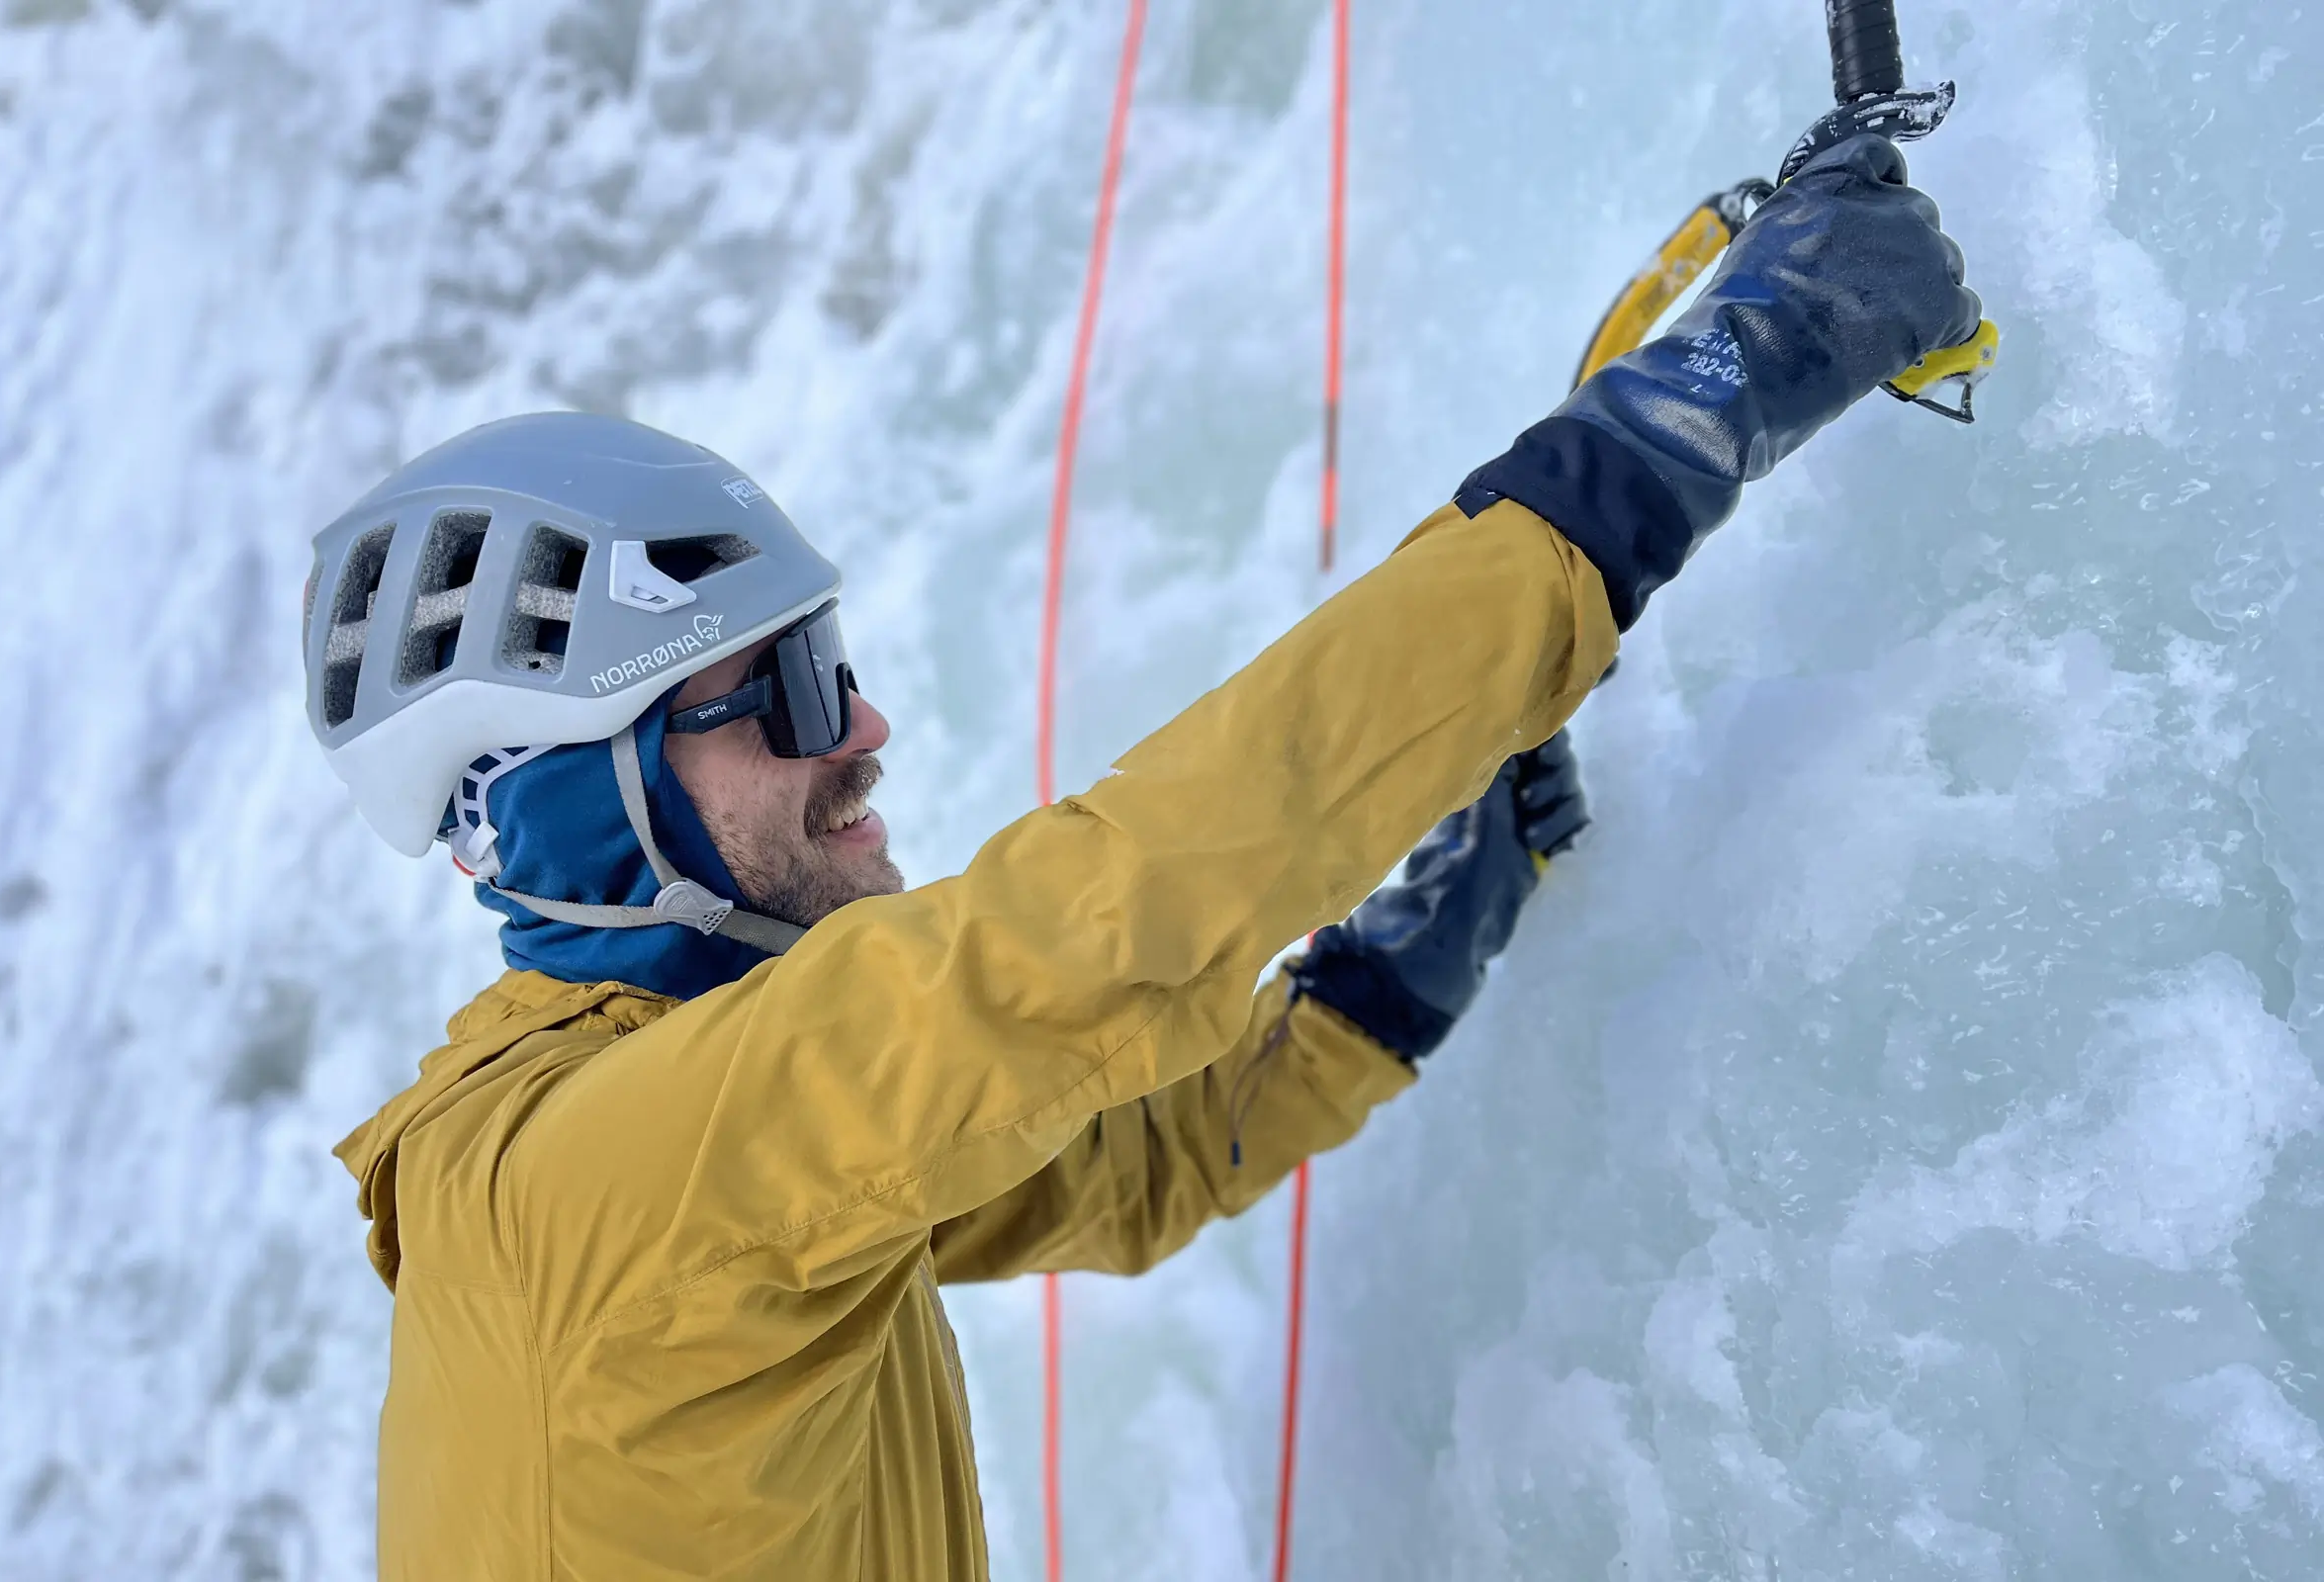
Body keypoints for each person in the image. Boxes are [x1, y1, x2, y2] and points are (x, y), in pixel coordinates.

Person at [313, 133, 1977, 1580]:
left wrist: (1387, 979)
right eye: (791, 691)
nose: (866, 725)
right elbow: (1101, 928)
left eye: (838, 661)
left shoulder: (680, 1159)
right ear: (574, 807)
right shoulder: (602, 1198)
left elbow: (1120, 1154)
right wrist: (1686, 422)